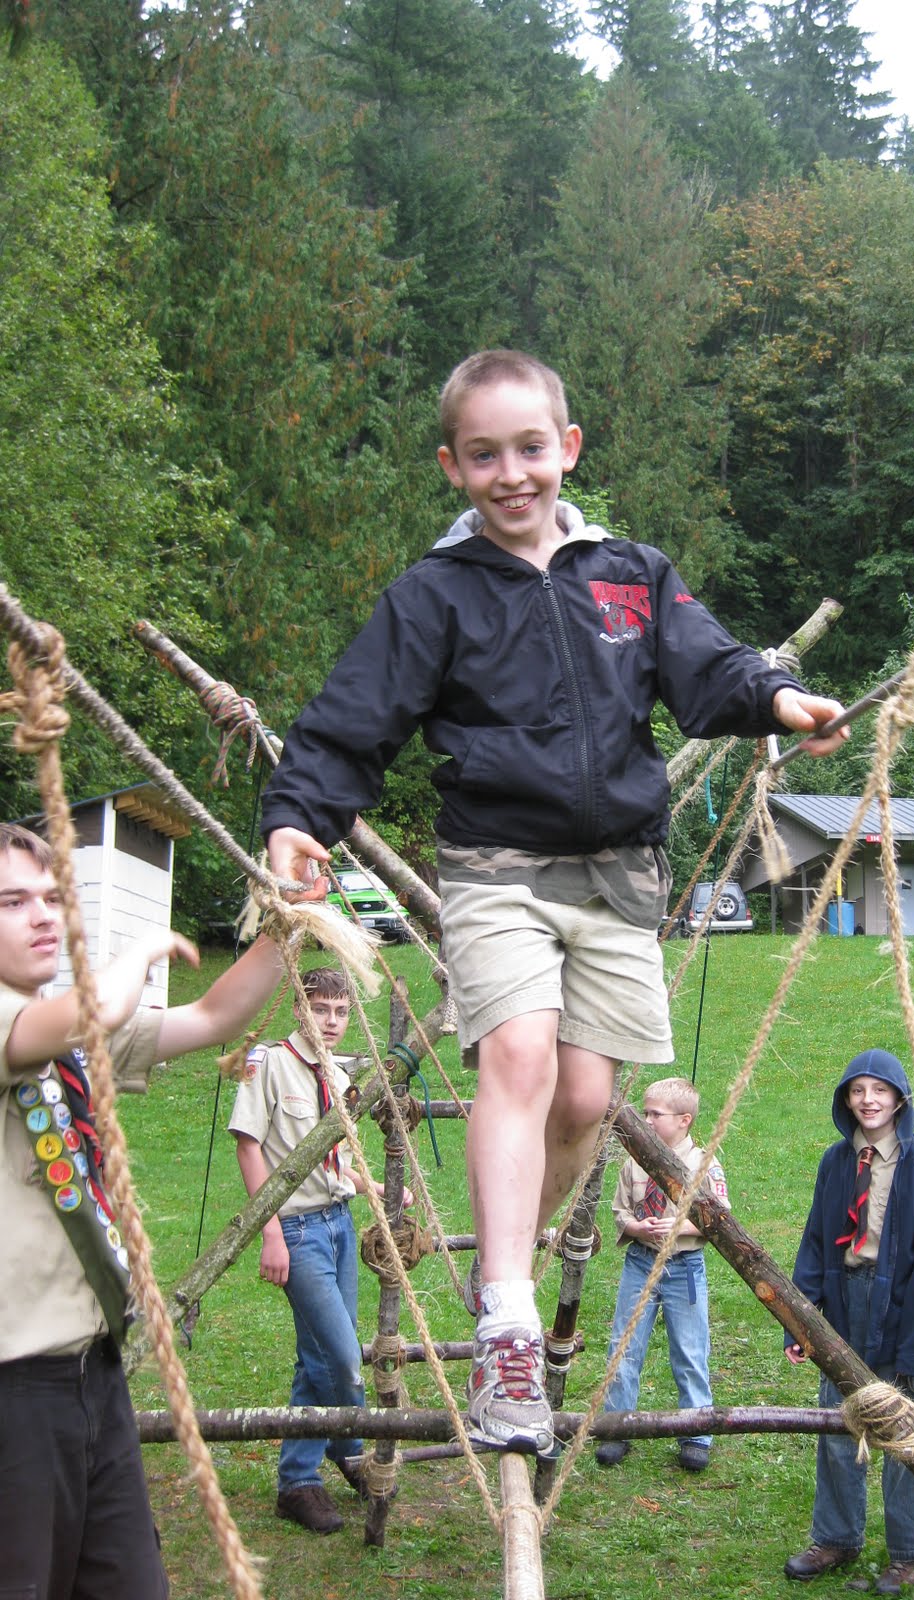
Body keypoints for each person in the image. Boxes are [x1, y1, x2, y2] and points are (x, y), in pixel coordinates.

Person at [261, 348, 849, 1457]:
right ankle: (509, 1318)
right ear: (452, 466)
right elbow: (351, 721)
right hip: (498, 867)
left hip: (621, 874)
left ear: (567, 447)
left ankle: (508, 1271)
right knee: (520, 1059)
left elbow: (710, 671)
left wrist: (781, 696)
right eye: (484, 453)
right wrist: (299, 810)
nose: (511, 472)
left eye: (530, 446)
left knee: (583, 1101)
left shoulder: (630, 573)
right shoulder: (434, 597)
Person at [0, 820, 284, 1599]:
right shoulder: (26, 1023)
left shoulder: (55, 1033)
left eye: (52, 896)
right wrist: (137, 950)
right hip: (14, 1395)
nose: (41, 915)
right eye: (11, 900)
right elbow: (94, 1012)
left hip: (95, 1373)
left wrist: (288, 920)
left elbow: (213, 1018)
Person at [228, 965, 405, 1535]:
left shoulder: (334, 1070)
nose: (331, 1022)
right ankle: (345, 1444)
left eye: (341, 1011)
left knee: (318, 1357)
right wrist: (270, 1230)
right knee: (343, 1357)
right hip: (298, 1231)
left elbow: (333, 1156)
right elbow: (250, 1147)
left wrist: (369, 1186)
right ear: (299, 1008)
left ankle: (298, 1481)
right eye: (320, 1009)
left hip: (338, 1226)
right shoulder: (271, 1063)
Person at [784, 1049, 914, 1595]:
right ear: (845, 1100)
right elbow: (813, 1243)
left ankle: (911, 1551)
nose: (868, 1101)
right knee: (836, 1422)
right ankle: (836, 1536)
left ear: (899, 1099)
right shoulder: (837, 1162)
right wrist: (800, 1322)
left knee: (904, 1430)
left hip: (898, 1304)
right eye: (857, 1091)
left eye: (879, 1091)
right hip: (843, 1299)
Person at [595, 1077, 727, 1474]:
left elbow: (719, 1219)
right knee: (624, 1346)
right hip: (640, 1262)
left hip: (683, 1268)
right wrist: (636, 1228)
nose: (646, 1120)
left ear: (684, 1120)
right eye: (645, 1111)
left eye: (655, 1114)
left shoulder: (703, 1164)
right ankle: (616, 1427)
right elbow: (620, 1211)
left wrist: (677, 1228)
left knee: (689, 1350)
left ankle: (697, 1431)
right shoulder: (634, 1163)